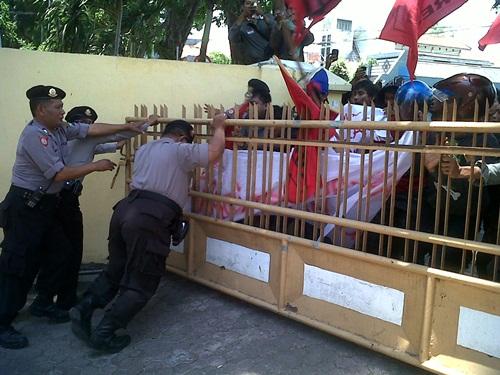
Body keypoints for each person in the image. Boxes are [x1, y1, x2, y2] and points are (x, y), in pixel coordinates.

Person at [0, 85, 145, 349]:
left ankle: (43, 304)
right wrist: (96, 166)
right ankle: (2, 322)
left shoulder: (59, 129)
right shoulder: (36, 135)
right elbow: (57, 175)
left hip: (45, 206)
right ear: (41, 110)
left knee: (61, 253)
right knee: (18, 265)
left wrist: (131, 128)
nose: (63, 112)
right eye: (58, 108)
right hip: (25, 207)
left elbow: (91, 130)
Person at [69, 114, 226, 353]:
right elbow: (214, 152)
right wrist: (219, 127)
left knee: (116, 269)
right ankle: (105, 332)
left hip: (125, 210)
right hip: (149, 219)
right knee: (142, 280)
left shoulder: (145, 148)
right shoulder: (179, 150)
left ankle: (83, 309)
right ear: (183, 138)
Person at [29, 106, 159, 319]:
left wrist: (136, 129)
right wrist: (145, 124)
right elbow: (116, 136)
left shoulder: (78, 140)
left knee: (66, 251)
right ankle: (49, 301)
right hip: (55, 200)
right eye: (84, 123)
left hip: (63, 200)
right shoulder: (72, 139)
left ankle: (62, 300)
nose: (89, 127)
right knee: (62, 252)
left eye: (91, 123)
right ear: (74, 125)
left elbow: (116, 142)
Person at [424, 73, 499, 273]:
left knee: (447, 266)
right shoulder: (439, 133)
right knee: (421, 256)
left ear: (465, 106)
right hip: (435, 207)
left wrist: (464, 170)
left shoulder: (486, 142)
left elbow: (488, 178)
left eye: (446, 102)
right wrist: (428, 166)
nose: (437, 106)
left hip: (463, 216)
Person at [229, 0, 281, 65]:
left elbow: (277, 29)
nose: (252, 6)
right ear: (242, 7)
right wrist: (243, 16)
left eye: (254, 3)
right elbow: (232, 37)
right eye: (248, 4)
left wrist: (262, 14)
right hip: (253, 63)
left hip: (271, 61)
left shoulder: (267, 18)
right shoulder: (242, 24)